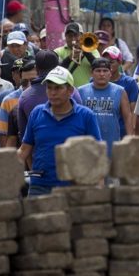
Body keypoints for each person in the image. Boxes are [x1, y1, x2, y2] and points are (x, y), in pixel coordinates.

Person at [18, 66, 102, 197]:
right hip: (40, 186)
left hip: (73, 187)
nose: (52, 92)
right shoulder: (37, 113)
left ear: (70, 90)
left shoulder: (86, 116)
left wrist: (99, 188)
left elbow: (96, 153)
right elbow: (24, 149)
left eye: (58, 88)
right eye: (49, 88)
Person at [18, 50, 83, 142]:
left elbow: (24, 135)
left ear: (36, 68)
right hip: (70, 151)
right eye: (50, 88)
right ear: (58, 68)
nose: (53, 93)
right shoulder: (72, 91)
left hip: (40, 152)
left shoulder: (25, 96)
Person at [78, 58, 133, 156]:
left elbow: (128, 117)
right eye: (98, 71)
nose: (102, 74)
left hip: (112, 145)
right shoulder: (81, 91)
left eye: (105, 71)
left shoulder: (120, 91)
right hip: (88, 146)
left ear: (110, 73)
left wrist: (130, 140)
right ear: (91, 73)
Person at [0, 58, 38, 148]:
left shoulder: (49, 96)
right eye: (25, 82)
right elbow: (4, 135)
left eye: (33, 81)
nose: (29, 86)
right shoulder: (8, 100)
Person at [55, 22, 100, 87]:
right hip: (66, 93)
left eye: (76, 35)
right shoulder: (58, 51)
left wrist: (85, 51)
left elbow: (98, 65)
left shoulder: (92, 50)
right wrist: (69, 58)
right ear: (65, 37)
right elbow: (56, 71)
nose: (73, 39)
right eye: (70, 36)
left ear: (82, 35)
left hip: (87, 91)